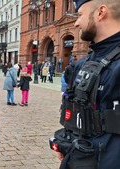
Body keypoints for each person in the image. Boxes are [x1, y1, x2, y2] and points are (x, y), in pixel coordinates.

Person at [51, 0, 120, 168]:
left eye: (80, 14)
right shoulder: (84, 62)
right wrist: (66, 140)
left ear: (101, 12)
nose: (76, 22)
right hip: (79, 157)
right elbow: (76, 107)